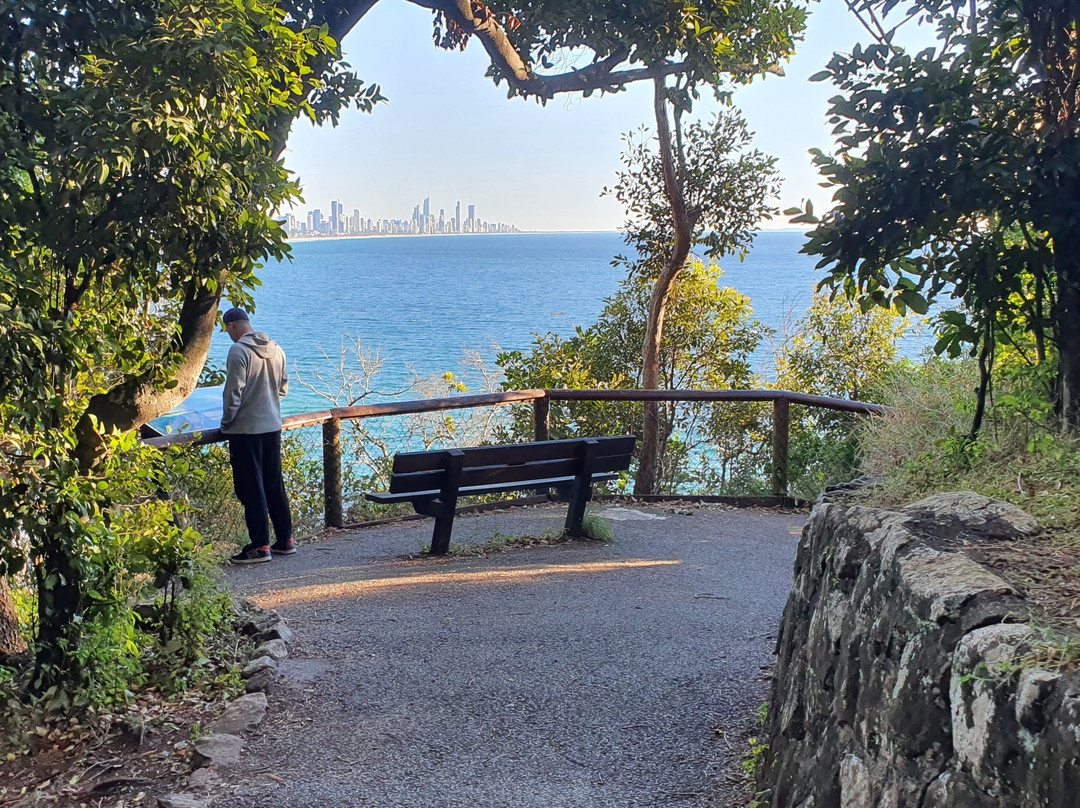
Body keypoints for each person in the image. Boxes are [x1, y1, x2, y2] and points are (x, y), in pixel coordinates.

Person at [220, 307, 296, 564]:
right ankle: (285, 539)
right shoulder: (277, 349)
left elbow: (233, 393)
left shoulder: (238, 351)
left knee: (251, 487)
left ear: (231, 326)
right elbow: (283, 388)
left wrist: (227, 422)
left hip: (246, 431)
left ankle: (260, 546)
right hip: (272, 426)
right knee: (274, 483)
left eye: (227, 330)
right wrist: (269, 406)